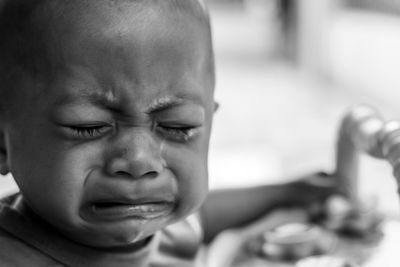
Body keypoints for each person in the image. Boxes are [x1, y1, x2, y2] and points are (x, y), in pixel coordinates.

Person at [0, 0, 334, 266]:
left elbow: (203, 215)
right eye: (89, 127)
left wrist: (291, 192)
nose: (139, 161)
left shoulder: (165, 227)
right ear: (2, 142)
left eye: (179, 127)